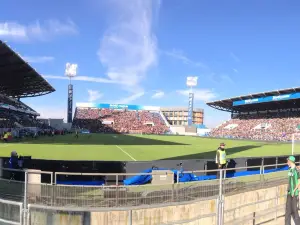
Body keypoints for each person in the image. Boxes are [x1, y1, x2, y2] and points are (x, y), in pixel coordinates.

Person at [285, 156, 300, 225]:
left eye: (288, 161)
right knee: (288, 211)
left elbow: (299, 182)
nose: (287, 162)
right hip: (289, 192)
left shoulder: (296, 170)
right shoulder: (290, 169)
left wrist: (294, 190)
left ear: (291, 161)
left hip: (294, 193)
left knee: (294, 210)